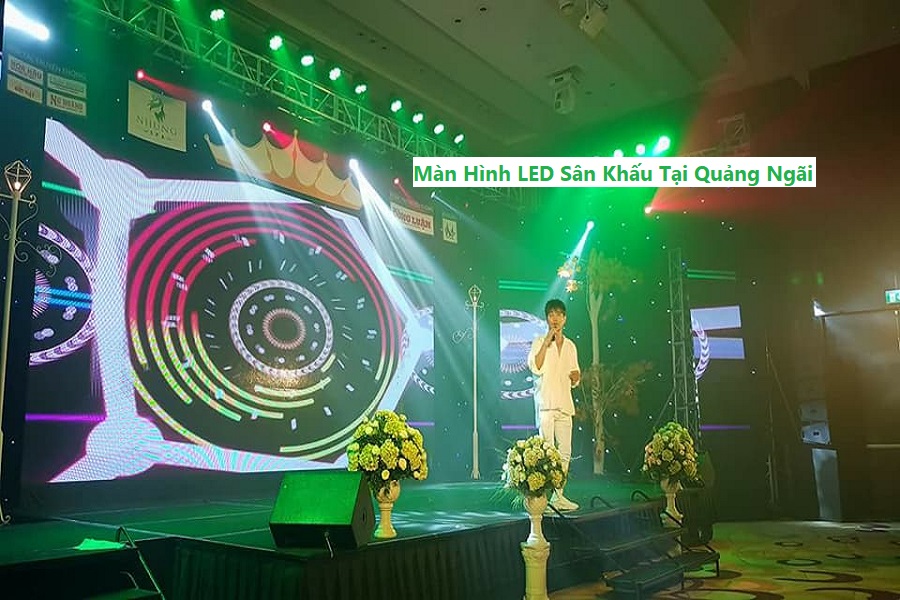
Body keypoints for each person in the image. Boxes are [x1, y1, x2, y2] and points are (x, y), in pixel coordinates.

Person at [527, 298, 580, 511]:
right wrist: (548, 341)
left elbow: (575, 375)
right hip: (546, 405)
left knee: (565, 452)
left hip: (565, 405)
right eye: (551, 314)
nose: (555, 318)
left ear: (565, 318)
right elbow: (536, 366)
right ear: (547, 319)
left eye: (559, 314)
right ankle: (543, 497)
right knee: (546, 452)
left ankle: (559, 496)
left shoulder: (570, 346)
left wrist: (576, 377)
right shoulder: (539, 341)